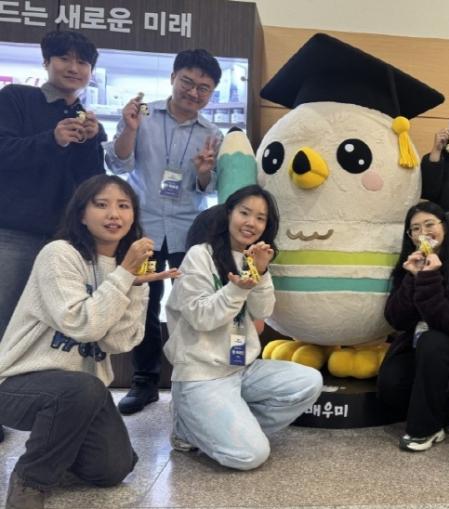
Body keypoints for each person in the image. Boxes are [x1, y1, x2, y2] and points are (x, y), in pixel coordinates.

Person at [0, 175, 178, 509]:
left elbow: (118, 342)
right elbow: (82, 324)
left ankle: (59, 447)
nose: (114, 214)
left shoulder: (125, 268)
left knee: (113, 469)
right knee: (81, 388)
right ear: (81, 214)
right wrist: (125, 276)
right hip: (17, 384)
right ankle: (30, 480)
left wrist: (137, 286)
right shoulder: (59, 254)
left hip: (82, 393)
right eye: (101, 204)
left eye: (123, 206)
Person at [163, 185, 322, 470]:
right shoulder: (200, 255)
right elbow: (201, 317)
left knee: (309, 381)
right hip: (201, 374)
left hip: (241, 368)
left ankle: (222, 425)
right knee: (250, 455)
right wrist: (237, 289)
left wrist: (261, 272)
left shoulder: (253, 258)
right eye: (244, 213)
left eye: (260, 218)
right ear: (229, 214)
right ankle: (188, 427)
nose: (251, 223)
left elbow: (263, 311)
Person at [104, 49, 225, 415]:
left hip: (189, 230)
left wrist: (203, 171)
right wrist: (129, 129)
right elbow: (118, 163)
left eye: (203, 88)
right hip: (144, 229)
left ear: (211, 93)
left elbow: (210, 188)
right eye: (187, 82)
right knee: (144, 303)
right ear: (173, 78)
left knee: (194, 304)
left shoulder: (212, 133)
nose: (193, 92)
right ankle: (145, 382)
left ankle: (196, 379)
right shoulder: (142, 116)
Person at [0, 30, 105, 341]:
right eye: (64, 58)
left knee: (52, 326)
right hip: (14, 234)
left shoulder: (85, 118)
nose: (74, 68)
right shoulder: (16, 97)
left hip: (65, 239)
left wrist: (90, 142)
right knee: (4, 316)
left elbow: (91, 183)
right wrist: (52, 139)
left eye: (83, 62)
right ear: (46, 62)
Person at [377, 201, 449, 452]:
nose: (423, 233)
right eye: (415, 229)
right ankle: (447, 410)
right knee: (391, 385)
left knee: (433, 341)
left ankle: (425, 429)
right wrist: (412, 278)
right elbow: (396, 319)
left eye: (430, 225)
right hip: (416, 346)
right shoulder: (409, 264)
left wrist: (428, 278)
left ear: (445, 228)